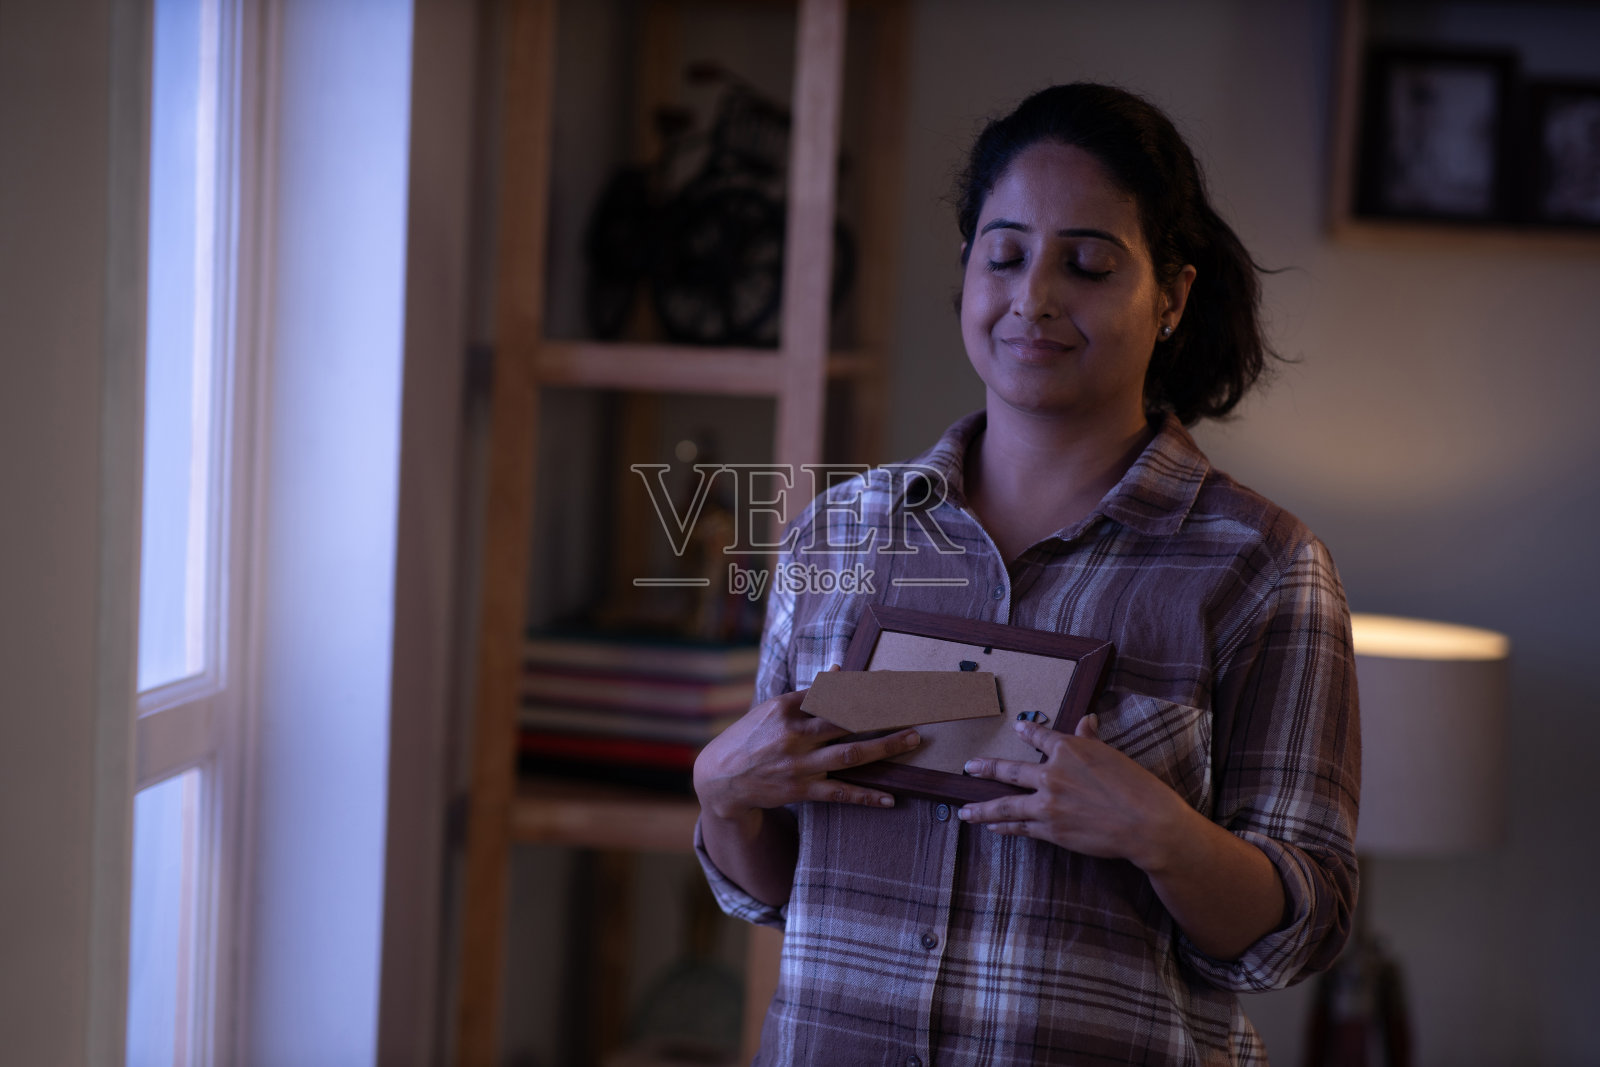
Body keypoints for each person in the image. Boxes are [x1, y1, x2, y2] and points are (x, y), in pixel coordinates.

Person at [692, 82, 1360, 1066]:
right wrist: (723, 796)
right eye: (1003, 256)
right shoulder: (838, 534)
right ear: (966, 272)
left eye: (1086, 264)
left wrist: (1164, 835)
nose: (1033, 296)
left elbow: (1300, 925)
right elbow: (781, 886)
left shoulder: (1261, 568)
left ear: (1171, 295)